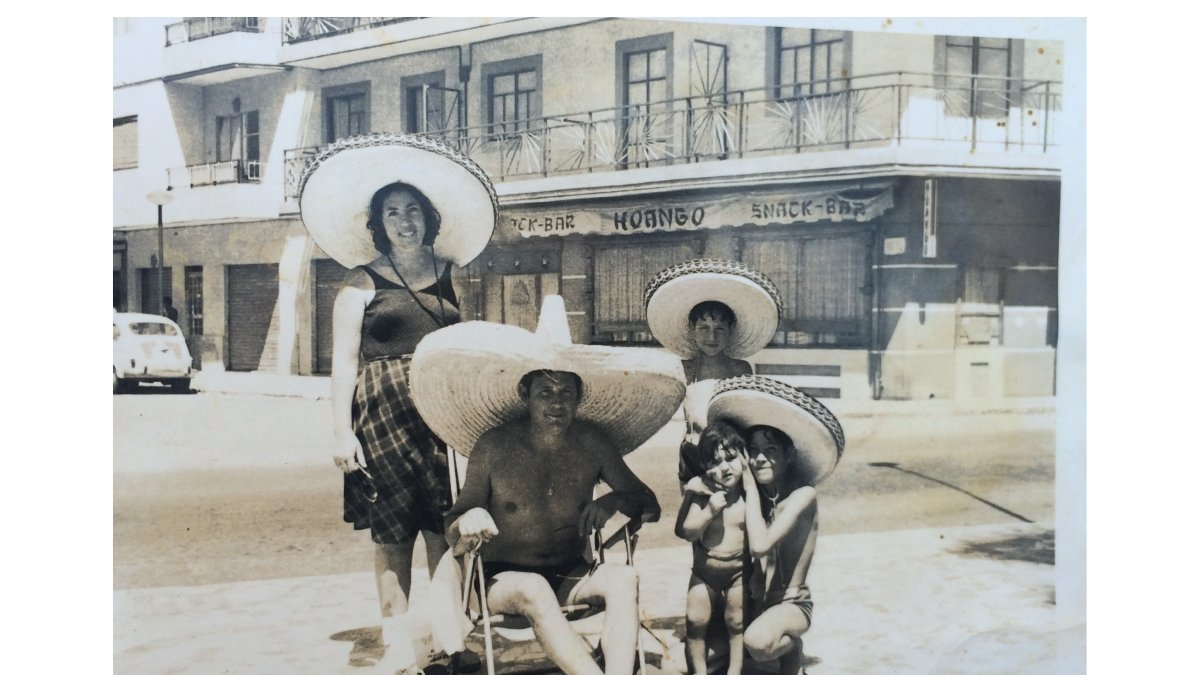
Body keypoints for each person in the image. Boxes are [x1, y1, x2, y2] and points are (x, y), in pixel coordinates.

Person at [298, 133, 499, 675]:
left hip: (441, 412)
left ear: (428, 218)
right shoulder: (359, 284)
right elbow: (343, 363)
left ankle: (447, 640)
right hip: (382, 415)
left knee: (445, 529)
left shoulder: (452, 273)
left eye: (413, 210)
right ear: (378, 222)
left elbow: (469, 344)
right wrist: (342, 434)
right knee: (392, 537)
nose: (404, 220)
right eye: (393, 212)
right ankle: (398, 646)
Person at [406, 295, 686, 675]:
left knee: (624, 577)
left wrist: (614, 501)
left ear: (579, 397)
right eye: (545, 392)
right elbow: (452, 525)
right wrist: (469, 516)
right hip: (504, 579)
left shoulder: (592, 443)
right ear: (525, 395)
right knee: (534, 589)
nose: (556, 403)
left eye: (566, 393)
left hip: (572, 571)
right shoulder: (494, 446)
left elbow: (649, 505)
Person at [707, 375, 846, 675]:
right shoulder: (761, 494)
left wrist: (748, 484)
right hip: (759, 601)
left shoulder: (803, 495)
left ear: (789, 456)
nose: (759, 459)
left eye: (770, 451)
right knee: (712, 654)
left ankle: (793, 648)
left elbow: (760, 544)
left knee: (757, 642)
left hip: (793, 603)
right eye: (753, 450)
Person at [674, 420, 750, 675]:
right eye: (715, 463)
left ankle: (735, 670)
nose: (724, 468)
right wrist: (708, 512)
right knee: (695, 623)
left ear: (743, 457)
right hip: (704, 573)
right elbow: (686, 531)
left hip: (739, 575)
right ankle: (698, 671)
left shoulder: (749, 494)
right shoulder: (704, 493)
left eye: (730, 458)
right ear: (706, 468)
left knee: (736, 623)